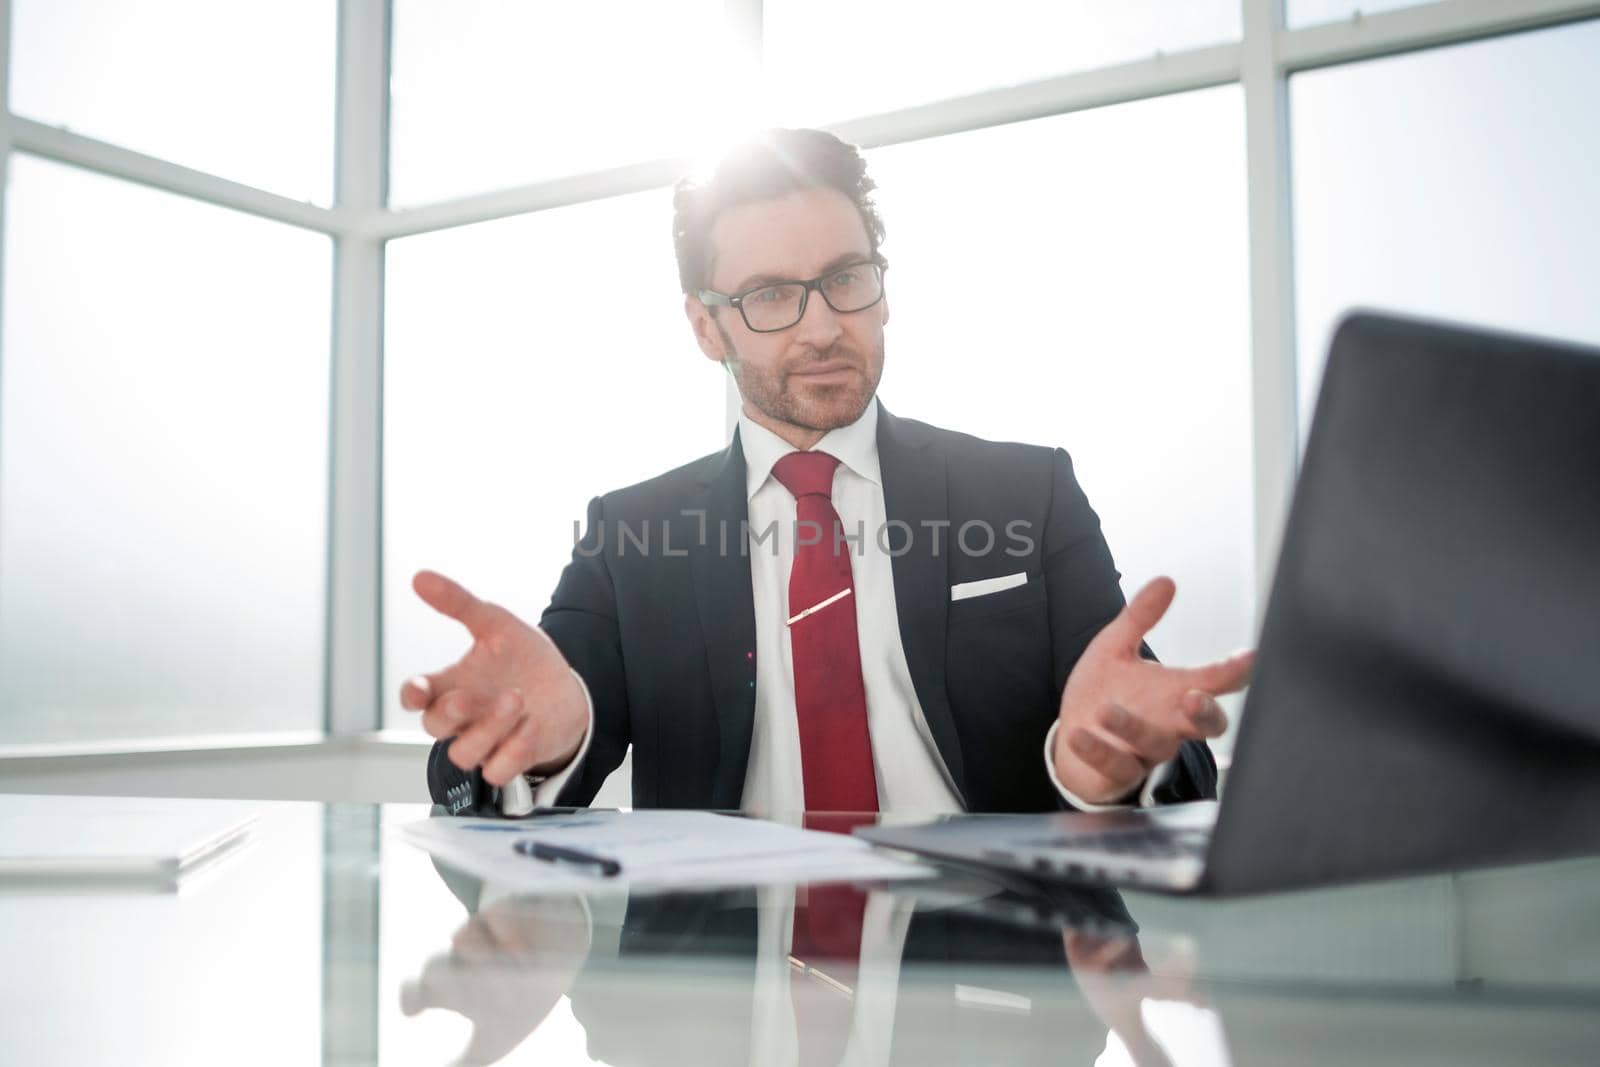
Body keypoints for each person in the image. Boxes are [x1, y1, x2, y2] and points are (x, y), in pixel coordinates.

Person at [401, 128, 1252, 816]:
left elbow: (1154, 736)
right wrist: (547, 741)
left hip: (998, 980)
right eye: (770, 296)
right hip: (721, 996)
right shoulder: (632, 537)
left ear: (882, 290)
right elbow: (517, 748)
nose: (820, 328)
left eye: (845, 279)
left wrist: (1115, 766)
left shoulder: (1029, 495)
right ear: (706, 328)